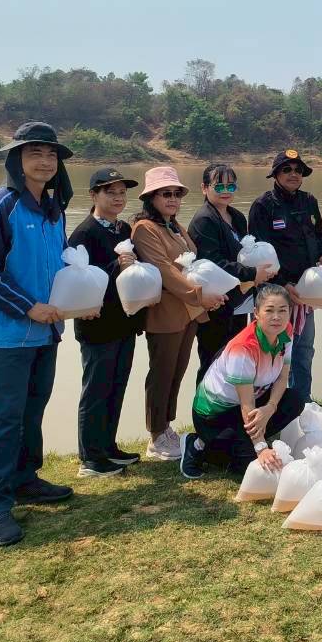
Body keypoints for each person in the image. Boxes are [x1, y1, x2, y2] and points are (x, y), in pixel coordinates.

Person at [0, 121, 75, 547]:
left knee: (33, 408)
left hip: (47, 330)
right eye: (34, 153)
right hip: (9, 332)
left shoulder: (53, 208)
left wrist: (81, 297)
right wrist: (28, 306)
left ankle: (26, 479)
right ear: (16, 160)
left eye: (51, 155)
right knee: (6, 416)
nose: (45, 161)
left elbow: (59, 265)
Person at [132, 167, 227, 462]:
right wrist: (200, 295)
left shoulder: (174, 226)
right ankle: (156, 434)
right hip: (166, 313)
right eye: (165, 194)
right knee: (161, 373)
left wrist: (212, 291)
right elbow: (164, 270)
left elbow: (192, 263)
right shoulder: (145, 229)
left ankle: (167, 427)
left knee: (177, 371)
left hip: (188, 313)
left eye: (176, 193)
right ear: (151, 197)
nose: (172, 199)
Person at [179, 283, 303, 480]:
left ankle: (243, 440)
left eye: (282, 310)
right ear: (256, 313)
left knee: (294, 400)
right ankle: (198, 443)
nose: (276, 317)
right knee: (247, 465)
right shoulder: (243, 348)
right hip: (215, 415)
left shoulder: (285, 331)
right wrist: (261, 448)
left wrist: (270, 408)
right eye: (269, 310)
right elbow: (247, 403)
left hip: (250, 402)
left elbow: (282, 377)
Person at [67, 169, 145, 478]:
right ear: (93, 195)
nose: (117, 198)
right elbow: (78, 279)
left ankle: (109, 447)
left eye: (122, 192)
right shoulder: (84, 234)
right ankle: (90, 458)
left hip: (123, 321)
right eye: (109, 192)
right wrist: (116, 264)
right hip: (97, 325)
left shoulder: (123, 228)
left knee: (116, 386)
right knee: (96, 390)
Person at [248, 149, 322, 401]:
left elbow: (321, 235)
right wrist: (283, 284)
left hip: (305, 293)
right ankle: (268, 405)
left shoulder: (309, 201)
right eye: (287, 170)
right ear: (275, 174)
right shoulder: (263, 206)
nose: (293, 174)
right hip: (275, 293)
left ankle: (301, 403)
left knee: (304, 350)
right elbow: (259, 253)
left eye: (298, 170)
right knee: (271, 351)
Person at [188, 163, 276, 384]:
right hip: (216, 302)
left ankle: (230, 403)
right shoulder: (204, 220)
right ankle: (205, 404)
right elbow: (213, 262)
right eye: (219, 186)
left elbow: (244, 252)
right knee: (213, 359)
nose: (226, 191)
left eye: (231, 186)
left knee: (234, 357)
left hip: (238, 299)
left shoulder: (236, 216)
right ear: (204, 188)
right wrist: (251, 273)